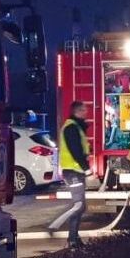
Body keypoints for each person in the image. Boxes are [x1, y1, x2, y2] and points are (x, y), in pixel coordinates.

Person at [50, 101, 92, 247]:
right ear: (76, 111)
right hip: (73, 171)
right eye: (83, 110)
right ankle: (57, 226)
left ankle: (74, 238)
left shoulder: (75, 126)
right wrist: (86, 168)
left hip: (75, 171)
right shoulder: (71, 128)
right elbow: (76, 150)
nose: (86, 112)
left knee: (80, 206)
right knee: (78, 205)